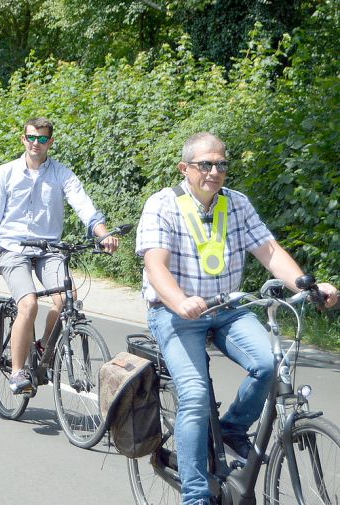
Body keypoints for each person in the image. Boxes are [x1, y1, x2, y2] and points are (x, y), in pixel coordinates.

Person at [135, 132, 338, 505]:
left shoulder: (237, 204)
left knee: (272, 362)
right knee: (195, 396)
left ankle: (232, 427)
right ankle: (195, 497)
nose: (214, 171)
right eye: (205, 165)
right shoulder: (162, 205)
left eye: (221, 164)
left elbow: (269, 250)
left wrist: (308, 286)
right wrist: (180, 301)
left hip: (228, 310)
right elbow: (155, 265)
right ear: (185, 168)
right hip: (176, 313)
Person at [0, 117, 118, 394]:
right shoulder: (5, 173)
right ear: (23, 139)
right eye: (31, 137)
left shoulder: (61, 174)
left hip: (48, 250)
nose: (36, 143)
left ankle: (43, 344)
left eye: (42, 139)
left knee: (69, 299)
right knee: (28, 305)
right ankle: (18, 371)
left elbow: (83, 204)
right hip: (12, 249)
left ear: (50, 142)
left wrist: (102, 233)